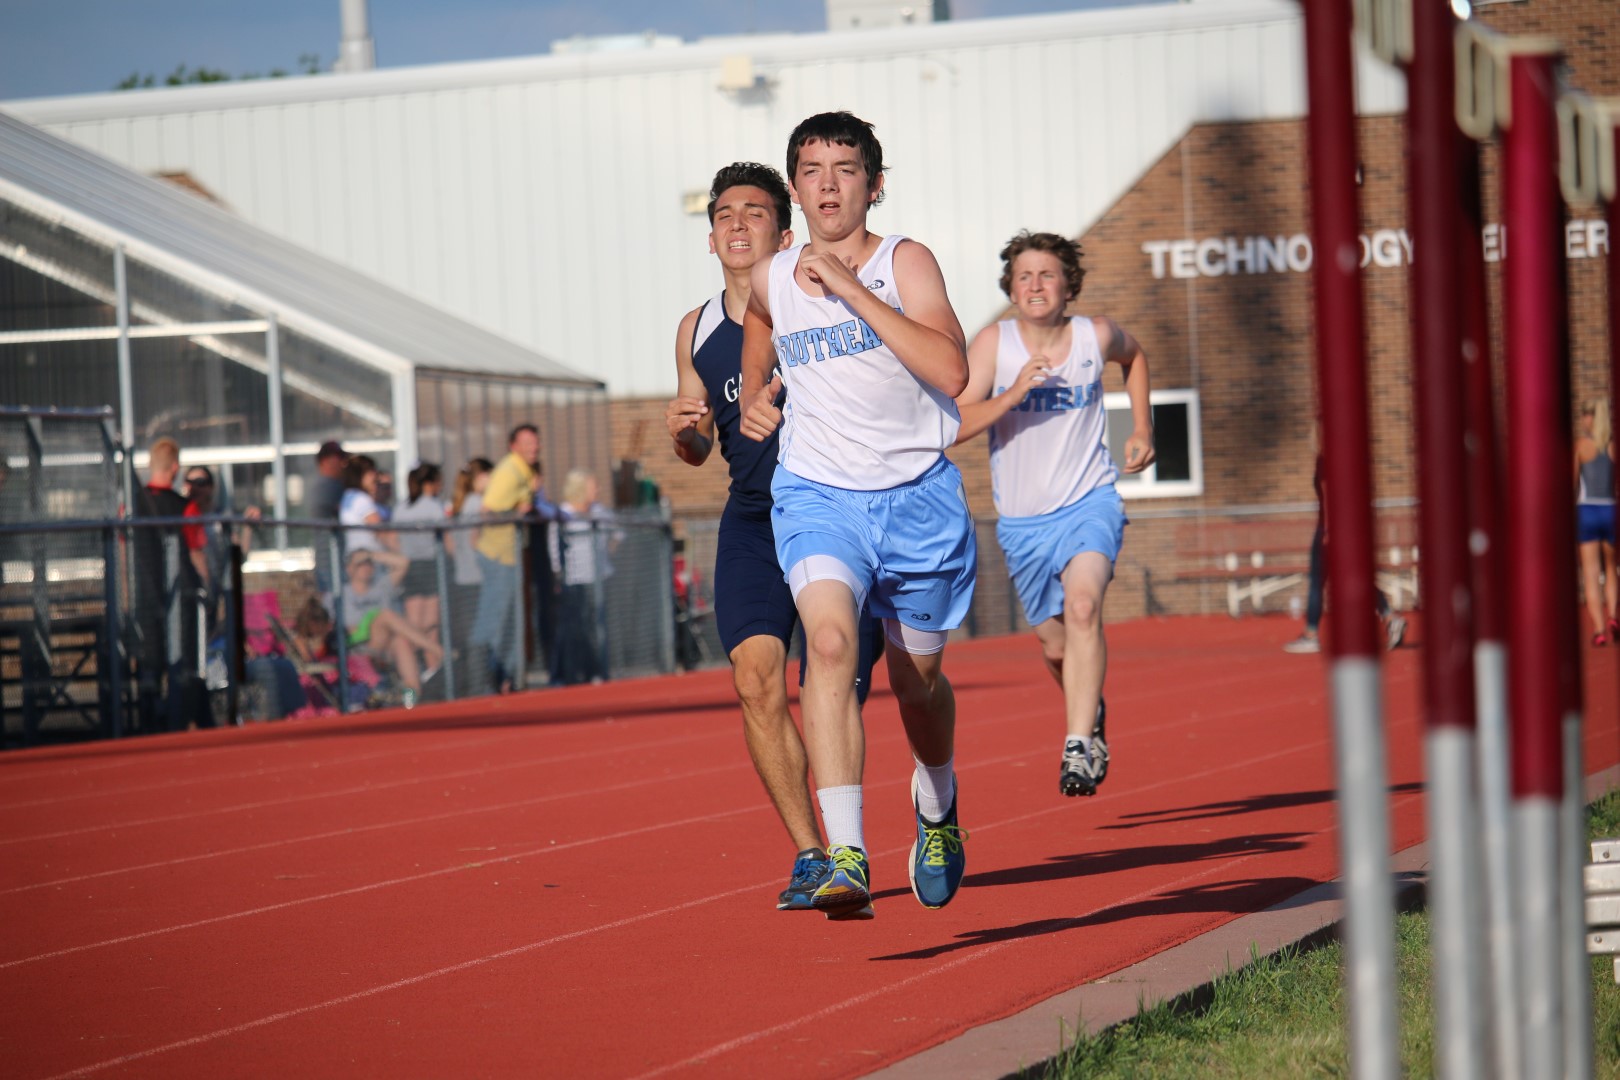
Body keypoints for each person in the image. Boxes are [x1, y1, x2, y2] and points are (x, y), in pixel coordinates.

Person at [739, 111, 976, 919]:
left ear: (873, 185)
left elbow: (952, 371)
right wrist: (756, 392)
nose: (829, 185)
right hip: (818, 494)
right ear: (795, 187)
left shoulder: (904, 261)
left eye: (845, 169)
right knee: (831, 645)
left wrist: (848, 290)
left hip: (917, 500)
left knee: (918, 684)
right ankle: (846, 856)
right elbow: (760, 320)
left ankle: (938, 804)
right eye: (812, 170)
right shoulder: (772, 276)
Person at [665, 159, 885, 911]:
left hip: (836, 510)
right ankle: (814, 855)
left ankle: (924, 800)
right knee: (755, 680)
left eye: (754, 213)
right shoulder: (695, 329)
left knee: (837, 685)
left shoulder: (816, 302)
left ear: (784, 234)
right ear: (710, 237)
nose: (736, 225)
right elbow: (698, 444)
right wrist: (684, 433)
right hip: (755, 519)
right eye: (724, 215)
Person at [954, 231, 1153, 798]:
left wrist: (1142, 427)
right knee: (1056, 645)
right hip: (1023, 522)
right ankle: (1090, 710)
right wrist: (1012, 393)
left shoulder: (1096, 335)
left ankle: (1077, 743)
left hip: (1090, 500)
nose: (1035, 285)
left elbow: (1135, 357)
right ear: (1011, 288)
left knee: (1084, 606)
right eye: (1025, 276)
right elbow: (955, 422)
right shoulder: (994, 344)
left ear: (1069, 285)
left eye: (1047, 274)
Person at [1283, 432, 1407, 655]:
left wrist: (1328, 530)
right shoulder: (1346, 460)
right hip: (1348, 527)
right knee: (1356, 577)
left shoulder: (1326, 461)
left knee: (1317, 581)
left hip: (1330, 528)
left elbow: (1330, 495)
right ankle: (1390, 618)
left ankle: (1311, 634)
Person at [132, 436, 208, 731]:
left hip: (145, 595)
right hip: (182, 595)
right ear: (175, 467)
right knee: (185, 663)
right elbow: (196, 552)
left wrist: (127, 593)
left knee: (150, 664)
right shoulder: (185, 507)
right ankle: (182, 721)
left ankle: (151, 723)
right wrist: (208, 588)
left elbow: (124, 553)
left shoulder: (133, 505)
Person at [473, 424, 541, 692]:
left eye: (535, 442)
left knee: (513, 620)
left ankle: (506, 679)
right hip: (498, 558)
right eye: (527, 443)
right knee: (495, 620)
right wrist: (517, 513)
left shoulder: (525, 471)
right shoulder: (509, 471)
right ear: (513, 446)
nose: (534, 448)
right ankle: (483, 679)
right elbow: (487, 511)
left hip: (512, 557)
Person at [341, 547, 444, 706]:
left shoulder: (381, 586)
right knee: (385, 615)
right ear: (349, 569)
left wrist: (371, 555)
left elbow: (403, 563)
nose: (366, 567)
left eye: (369, 563)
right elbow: (351, 631)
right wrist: (373, 621)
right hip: (362, 648)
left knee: (401, 642)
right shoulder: (343, 594)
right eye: (360, 564)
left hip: (388, 647)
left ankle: (412, 698)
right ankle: (436, 649)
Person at [547, 469, 614, 686]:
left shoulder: (599, 511)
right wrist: (558, 577)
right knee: (576, 627)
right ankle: (573, 672)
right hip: (574, 581)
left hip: (598, 579)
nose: (598, 490)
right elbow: (554, 550)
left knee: (597, 627)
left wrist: (606, 555)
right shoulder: (563, 514)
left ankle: (598, 671)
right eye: (593, 486)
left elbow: (617, 533)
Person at [392, 462, 449, 643]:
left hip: (408, 567)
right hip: (430, 565)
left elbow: (395, 540)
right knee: (431, 624)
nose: (441, 486)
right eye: (438, 481)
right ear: (429, 483)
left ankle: (416, 658)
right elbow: (447, 540)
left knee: (413, 624)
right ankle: (432, 659)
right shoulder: (434, 506)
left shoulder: (401, 508)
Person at [1576, 398, 1617, 645]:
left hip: (1587, 510)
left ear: (1591, 417)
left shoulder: (1581, 446)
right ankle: (1613, 615)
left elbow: (1572, 484)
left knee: (1591, 573)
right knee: (1611, 567)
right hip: (1610, 509)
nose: (1582, 419)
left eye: (1585, 414)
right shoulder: (1613, 446)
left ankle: (1599, 630)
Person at [339, 454, 394, 561]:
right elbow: (380, 532)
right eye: (371, 472)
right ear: (359, 475)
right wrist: (401, 550)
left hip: (358, 556)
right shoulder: (361, 499)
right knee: (403, 563)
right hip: (368, 559)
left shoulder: (349, 496)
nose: (375, 476)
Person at [310, 440, 348, 595]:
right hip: (329, 561)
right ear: (325, 461)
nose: (343, 463)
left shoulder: (336, 485)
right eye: (338, 458)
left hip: (338, 560)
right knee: (333, 602)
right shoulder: (326, 486)